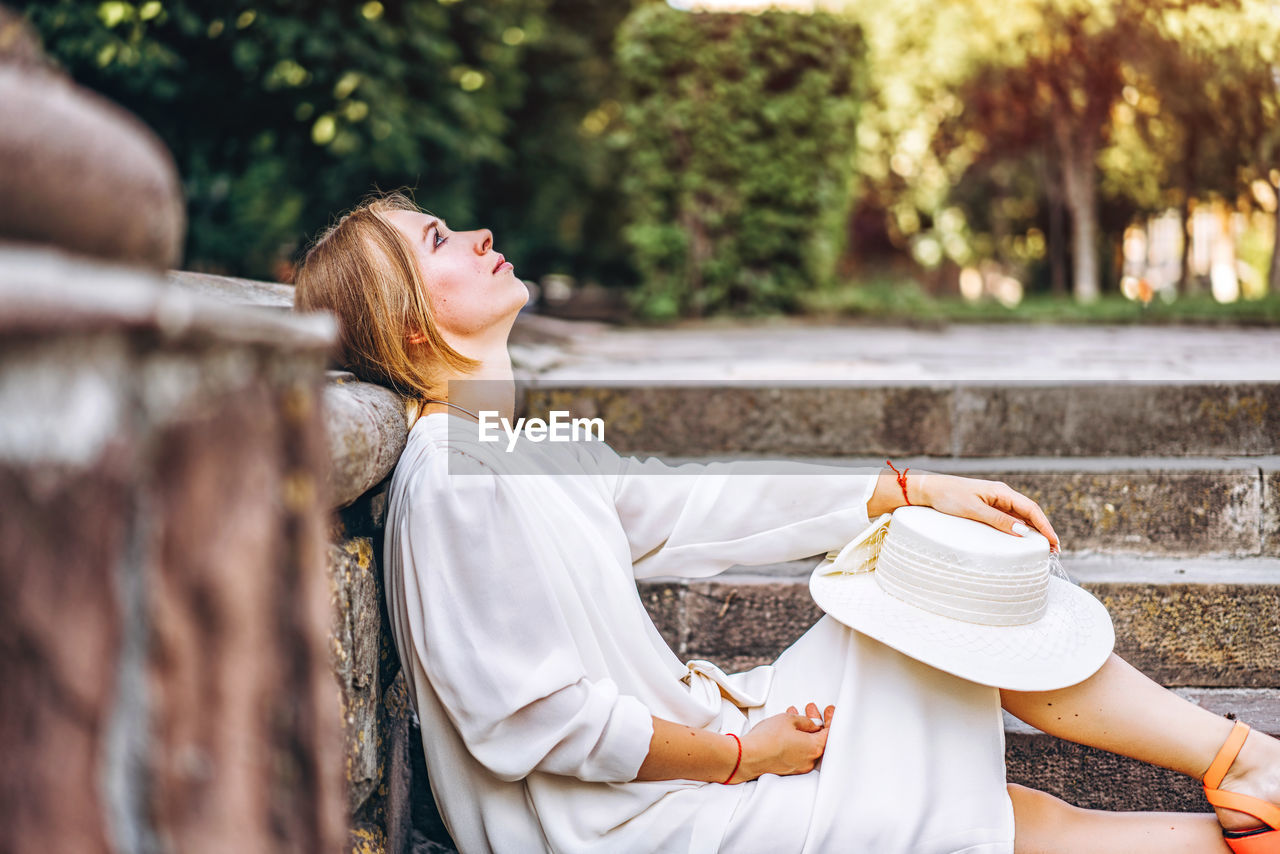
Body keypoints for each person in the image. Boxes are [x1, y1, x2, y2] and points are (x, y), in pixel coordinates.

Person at [295, 191, 1280, 854]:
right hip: (633, 823)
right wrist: (741, 753)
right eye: (434, 244)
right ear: (412, 328)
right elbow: (541, 721)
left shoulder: (504, 438)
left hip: (693, 749)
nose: (470, 235)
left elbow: (683, 497)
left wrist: (898, 487)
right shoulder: (454, 479)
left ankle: (1250, 796)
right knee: (975, 767)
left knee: (948, 627)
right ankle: (1248, 771)